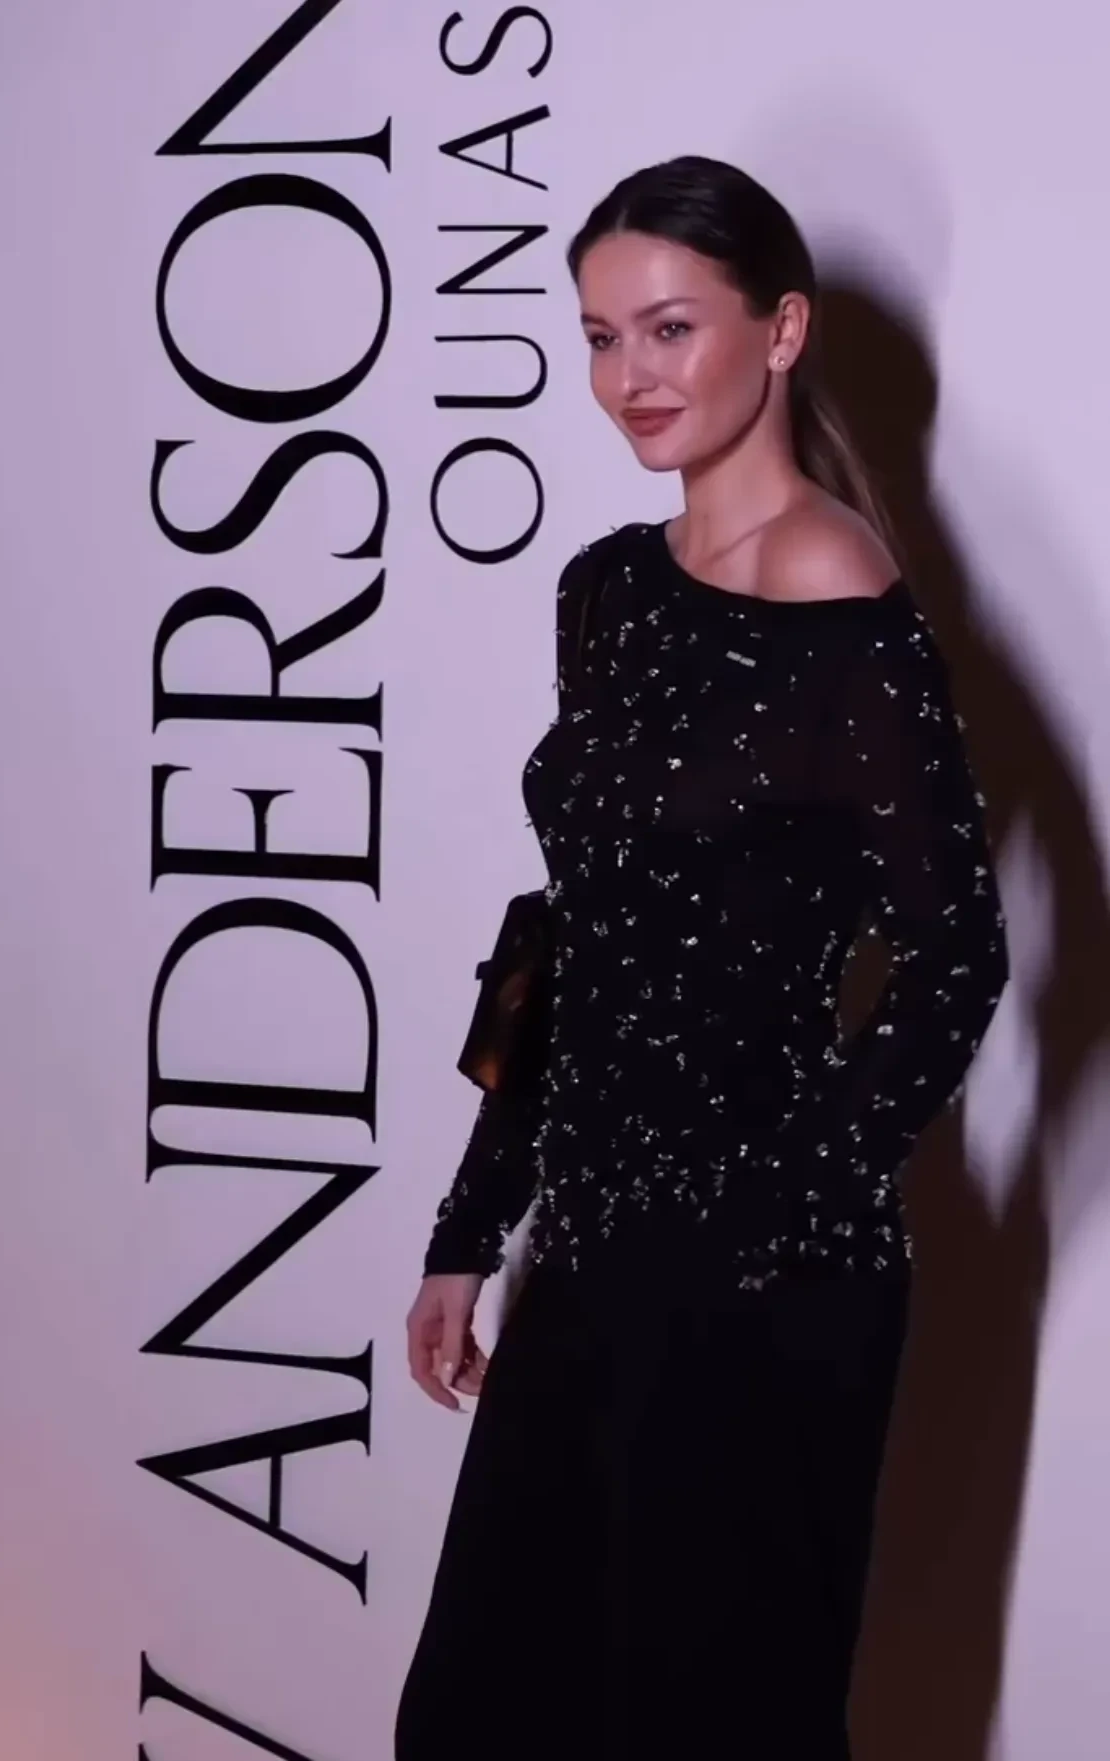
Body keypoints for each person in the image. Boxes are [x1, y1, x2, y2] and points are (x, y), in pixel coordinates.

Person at [394, 156, 1009, 1761]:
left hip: (763, 1283)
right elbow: (568, 936)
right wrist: (471, 1224)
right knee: (479, 1721)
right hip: (590, 1252)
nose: (629, 378)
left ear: (780, 331)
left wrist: (787, 1197)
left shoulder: (842, 601)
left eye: (669, 328)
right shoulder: (606, 590)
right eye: (600, 337)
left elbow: (958, 954)